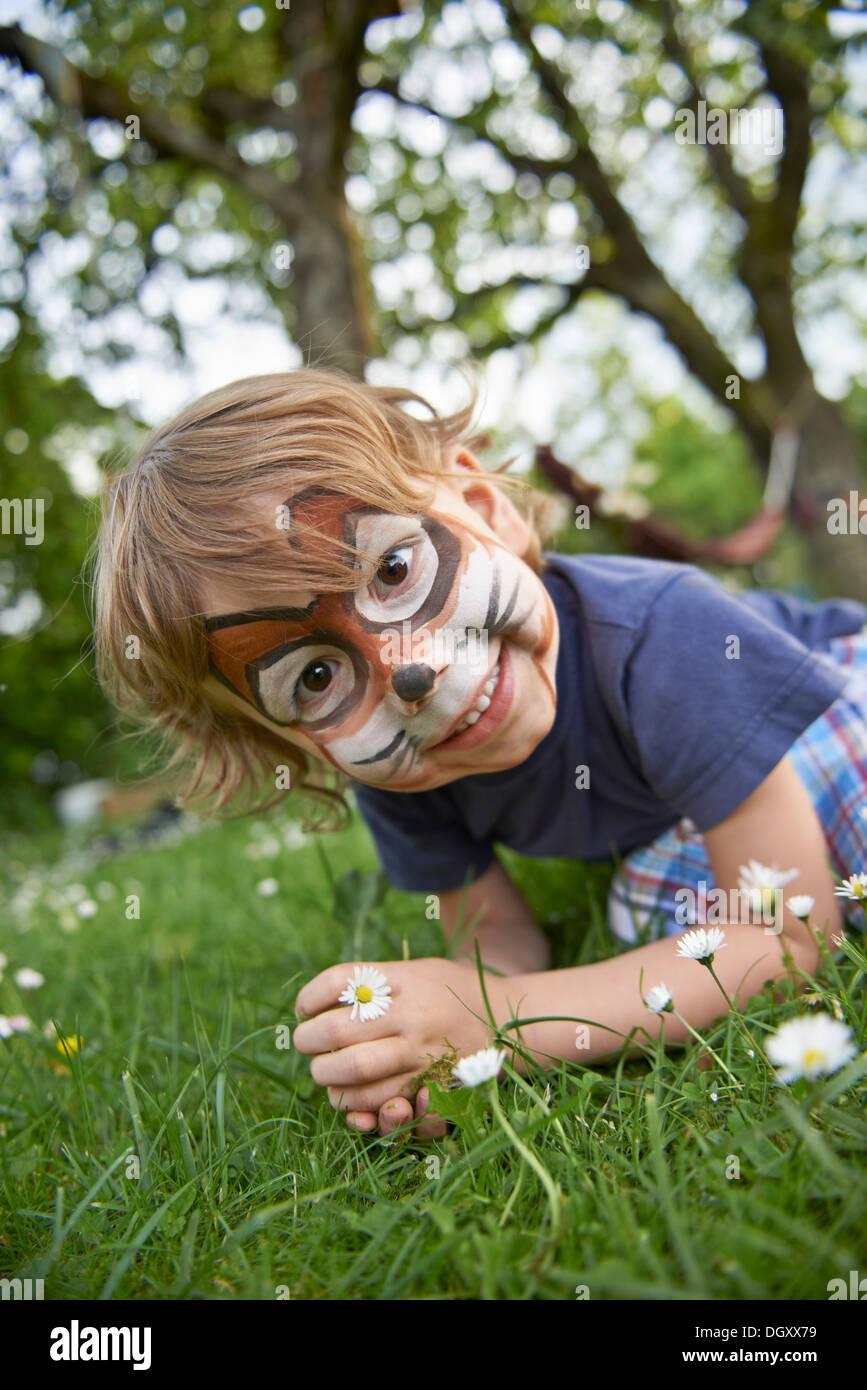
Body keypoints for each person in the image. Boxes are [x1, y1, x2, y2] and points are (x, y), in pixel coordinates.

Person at [92, 368, 867, 1139]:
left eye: (393, 570)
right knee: (658, 903)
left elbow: (793, 942)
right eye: (317, 677)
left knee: (686, 901)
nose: (407, 675)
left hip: (843, 691)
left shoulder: (664, 633)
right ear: (291, 743)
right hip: (702, 811)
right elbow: (499, 941)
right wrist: (438, 1043)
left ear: (487, 507)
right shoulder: (401, 778)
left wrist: (505, 1023)